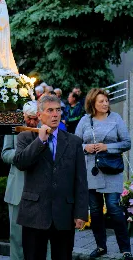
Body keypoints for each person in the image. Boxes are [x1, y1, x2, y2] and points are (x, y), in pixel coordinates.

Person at [13, 95, 88, 260]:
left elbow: (81, 180)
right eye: (50, 110)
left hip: (64, 213)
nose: (55, 114)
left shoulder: (74, 142)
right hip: (34, 213)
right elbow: (21, 163)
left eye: (58, 110)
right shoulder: (26, 137)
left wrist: (81, 212)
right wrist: (40, 140)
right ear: (39, 115)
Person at [75, 88, 132, 259]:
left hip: (112, 170)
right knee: (96, 211)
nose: (105, 103)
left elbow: (127, 142)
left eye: (107, 100)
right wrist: (86, 147)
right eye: (101, 101)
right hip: (92, 172)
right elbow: (75, 143)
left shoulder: (116, 119)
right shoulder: (85, 121)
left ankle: (125, 249)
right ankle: (101, 247)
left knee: (114, 208)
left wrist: (107, 147)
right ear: (92, 103)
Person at [2, 101, 39, 260]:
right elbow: (5, 153)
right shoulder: (12, 126)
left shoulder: (46, 126)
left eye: (35, 118)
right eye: (29, 118)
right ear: (23, 115)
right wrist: (20, 155)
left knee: (42, 236)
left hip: (40, 188)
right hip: (17, 188)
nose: (32, 122)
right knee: (16, 235)